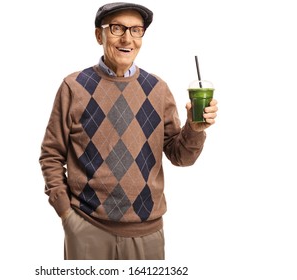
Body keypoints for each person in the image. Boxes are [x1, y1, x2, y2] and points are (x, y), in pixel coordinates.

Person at [39, 2, 218, 260]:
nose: (127, 38)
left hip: (148, 234)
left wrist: (195, 128)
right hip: (87, 229)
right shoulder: (74, 87)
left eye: (136, 30)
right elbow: (51, 155)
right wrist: (67, 214)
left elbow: (181, 157)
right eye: (117, 28)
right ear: (99, 35)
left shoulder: (158, 89)